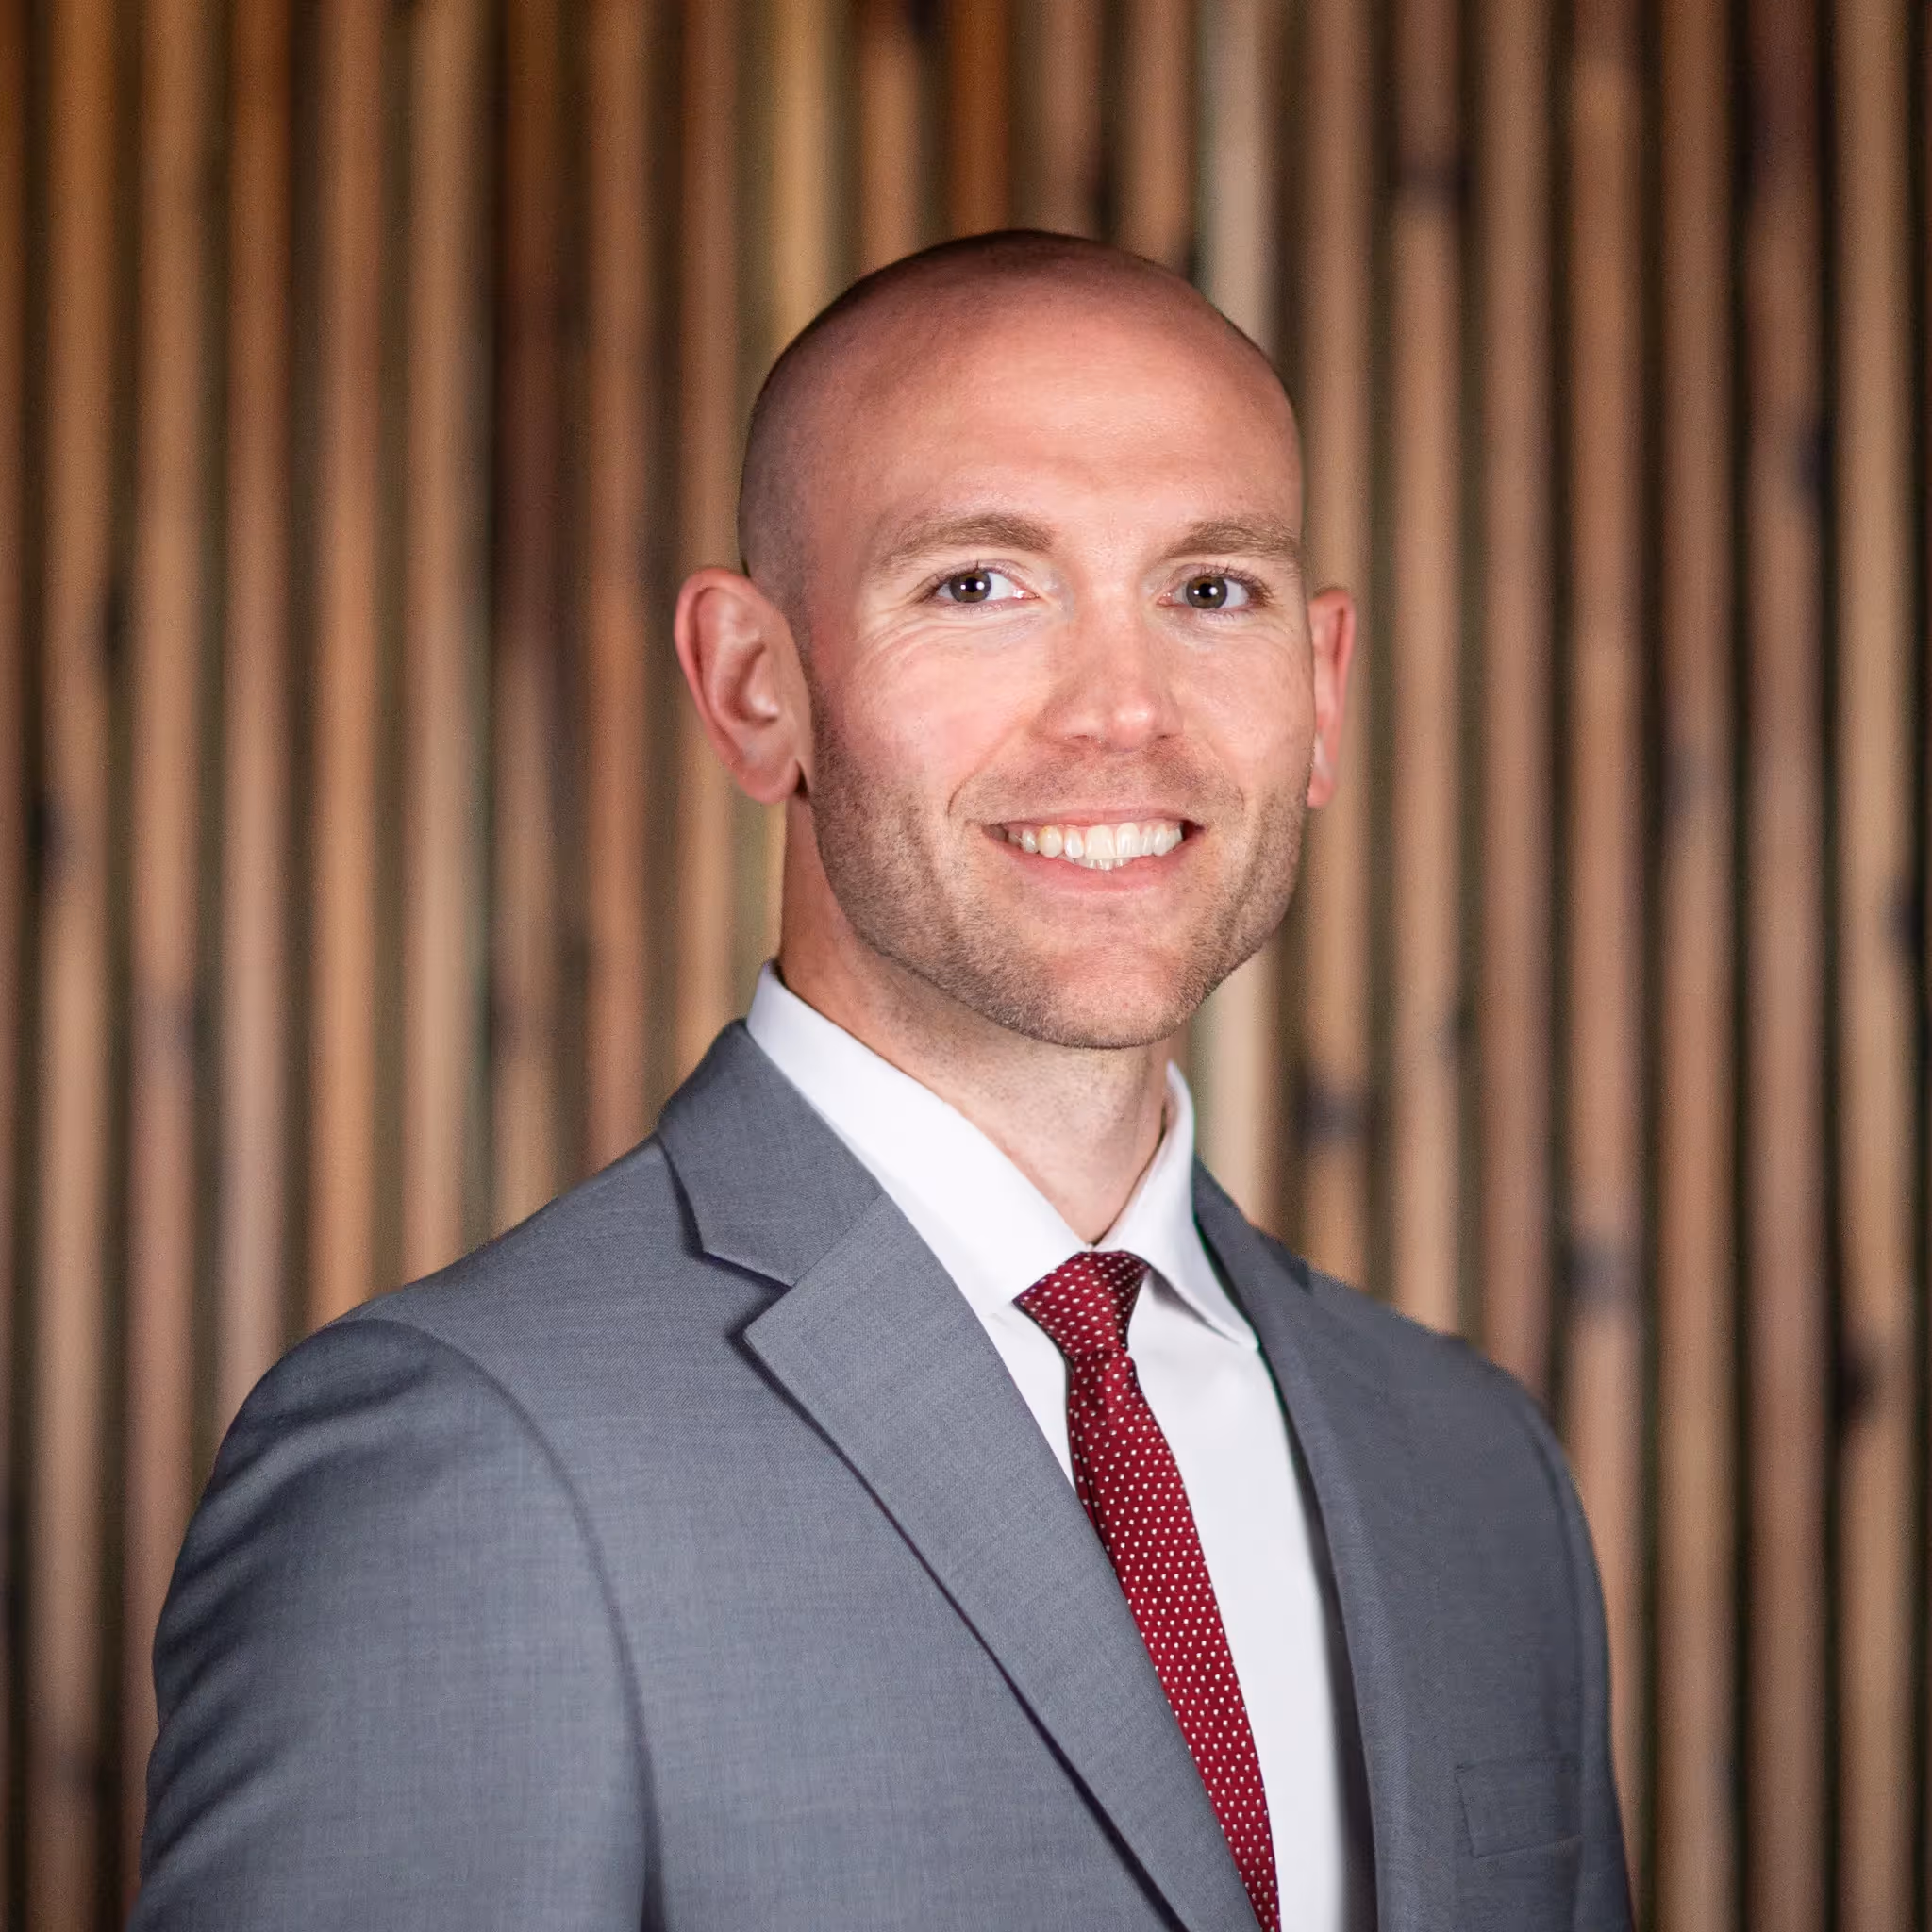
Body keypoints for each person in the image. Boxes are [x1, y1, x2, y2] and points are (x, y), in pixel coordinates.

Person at [132, 231, 1632, 1932]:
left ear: (1323, 686)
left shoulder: (1473, 1469)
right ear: (754, 687)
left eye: (1213, 590)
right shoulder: (458, 1466)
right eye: (980, 585)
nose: (1124, 713)